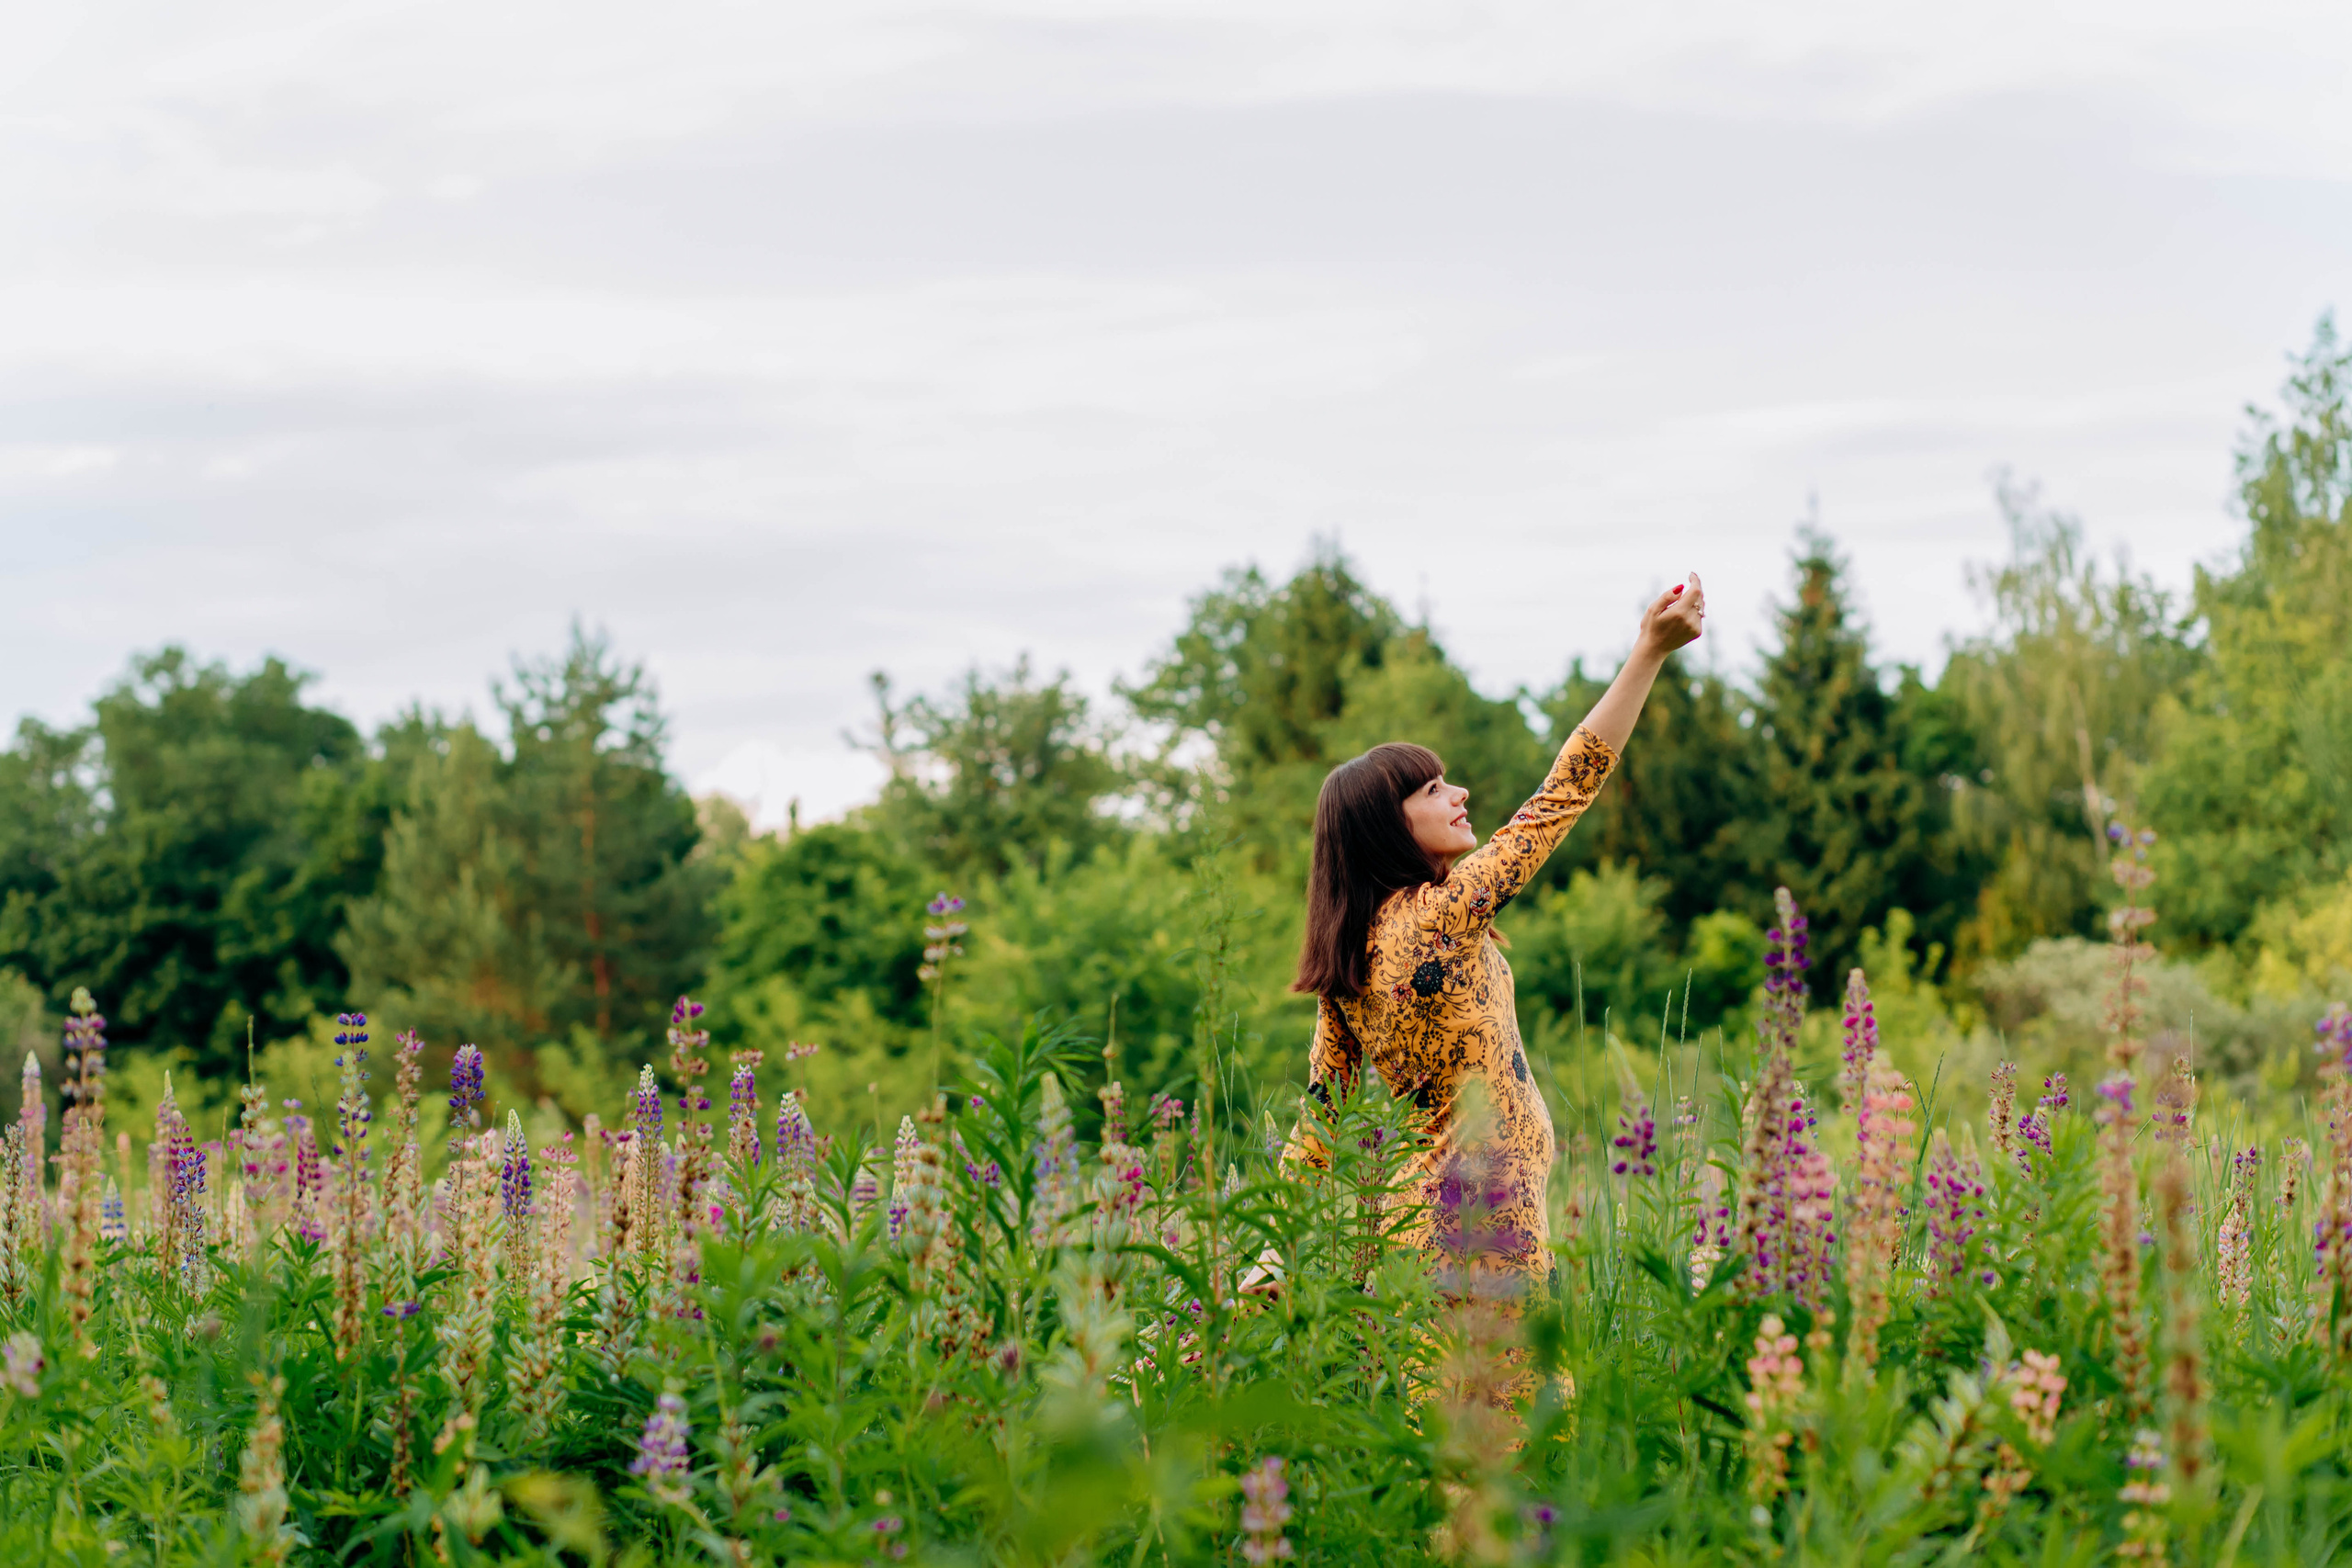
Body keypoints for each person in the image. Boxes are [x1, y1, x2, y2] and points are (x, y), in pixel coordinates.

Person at [1283, 572, 1706, 1301]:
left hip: (1432, 1239)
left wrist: (1269, 1251)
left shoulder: (1349, 957)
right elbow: (1563, 793)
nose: (1460, 795)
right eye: (1433, 790)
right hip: (1478, 1240)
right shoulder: (1442, 915)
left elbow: (1319, 1124)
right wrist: (1649, 653)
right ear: (1388, 827)